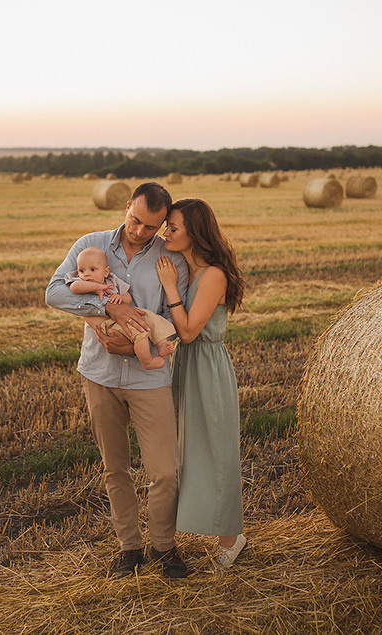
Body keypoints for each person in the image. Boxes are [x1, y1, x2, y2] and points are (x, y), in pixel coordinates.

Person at [45, 182, 190, 579]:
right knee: (116, 468)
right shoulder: (90, 244)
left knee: (164, 471)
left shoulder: (169, 260)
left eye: (151, 226)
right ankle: (130, 549)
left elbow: (173, 322)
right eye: (136, 220)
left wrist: (130, 344)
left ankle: (164, 546)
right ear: (126, 206)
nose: (141, 231)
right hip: (99, 374)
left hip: (149, 378)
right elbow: (55, 293)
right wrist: (105, 306)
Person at [155, 197, 248, 569]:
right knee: (191, 451)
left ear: (194, 233)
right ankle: (213, 526)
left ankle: (231, 538)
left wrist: (170, 287)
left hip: (208, 369)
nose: (166, 232)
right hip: (188, 367)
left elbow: (191, 331)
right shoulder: (189, 270)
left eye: (173, 227)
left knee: (216, 451)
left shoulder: (213, 275)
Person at [65, 246, 177, 371]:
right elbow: (74, 287)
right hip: (108, 323)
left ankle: (161, 344)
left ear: (106, 271)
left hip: (126, 314)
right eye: (81, 270)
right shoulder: (82, 283)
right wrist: (95, 287)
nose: (86, 274)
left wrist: (120, 297)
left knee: (150, 318)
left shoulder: (112, 280)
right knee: (139, 332)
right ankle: (147, 361)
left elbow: (127, 298)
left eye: (92, 269)